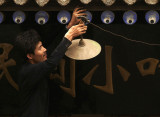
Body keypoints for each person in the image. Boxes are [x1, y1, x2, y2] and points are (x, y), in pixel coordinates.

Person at [14, 8, 87, 117]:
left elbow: (52, 50)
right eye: (40, 48)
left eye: (42, 45)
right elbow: (51, 62)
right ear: (29, 56)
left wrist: (69, 26)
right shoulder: (27, 71)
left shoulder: (36, 63)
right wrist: (70, 36)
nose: (44, 49)